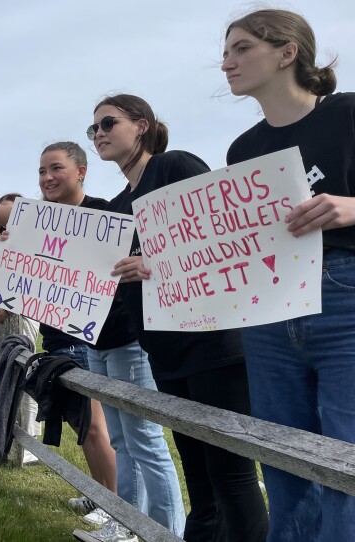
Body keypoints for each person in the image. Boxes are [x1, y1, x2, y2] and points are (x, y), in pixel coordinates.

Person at [0, 143, 184, 541]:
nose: (47, 178)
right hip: (94, 345)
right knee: (123, 441)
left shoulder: (105, 212)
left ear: (81, 171)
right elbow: (0, 211)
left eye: (56, 168)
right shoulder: (42, 221)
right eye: (41, 171)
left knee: (144, 442)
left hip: (126, 341)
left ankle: (164, 532)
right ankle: (126, 523)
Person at [91, 93, 268, 542]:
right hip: (163, 353)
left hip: (213, 345)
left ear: (143, 125)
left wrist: (155, 262)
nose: (99, 135)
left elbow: (224, 234)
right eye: (93, 129)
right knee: (200, 477)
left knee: (232, 474)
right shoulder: (115, 208)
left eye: (108, 123)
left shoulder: (175, 167)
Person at [222, 9, 355, 541]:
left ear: (287, 52)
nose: (227, 63)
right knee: (281, 456)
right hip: (269, 309)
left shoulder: (346, 113)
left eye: (242, 48)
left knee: (345, 459)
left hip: (344, 296)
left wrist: (352, 208)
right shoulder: (242, 151)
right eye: (225, 53)